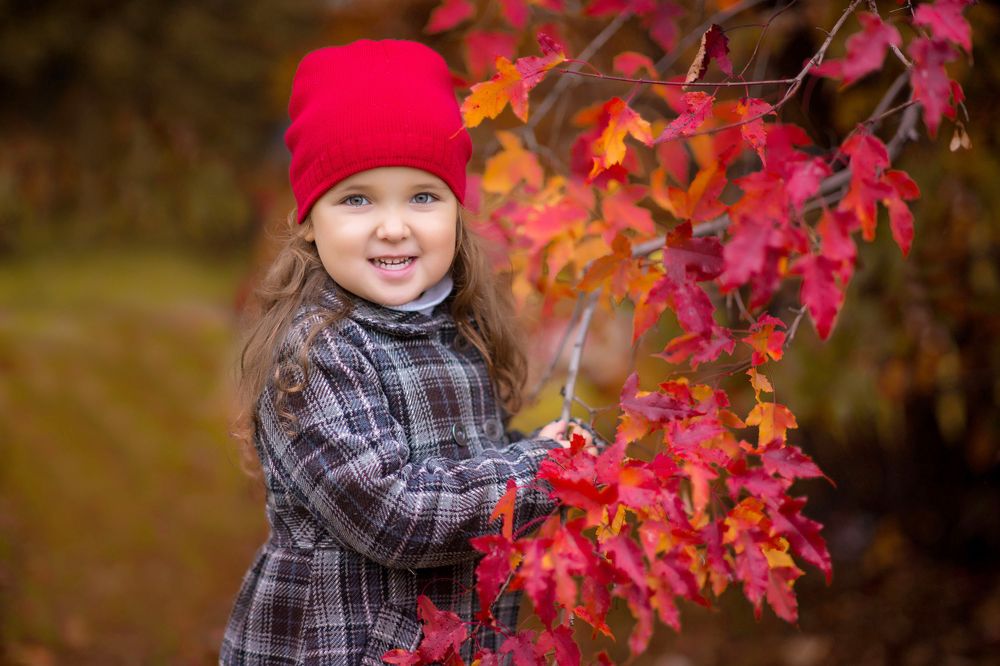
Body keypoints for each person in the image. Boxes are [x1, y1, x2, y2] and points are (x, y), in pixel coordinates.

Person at [219, 39, 598, 666]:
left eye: (422, 196)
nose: (393, 226)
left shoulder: (458, 327)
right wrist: (549, 467)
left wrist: (560, 455)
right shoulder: (316, 352)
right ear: (311, 219)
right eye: (357, 198)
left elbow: (478, 470)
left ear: (456, 210)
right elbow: (399, 515)